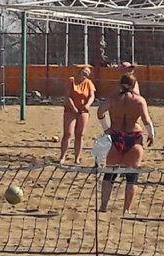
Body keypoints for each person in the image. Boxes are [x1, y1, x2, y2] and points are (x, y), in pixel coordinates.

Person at [96, 73, 154, 213]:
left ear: (119, 84)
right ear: (134, 85)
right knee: (132, 175)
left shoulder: (112, 99)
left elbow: (100, 112)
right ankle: (126, 209)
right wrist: (151, 134)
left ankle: (103, 206)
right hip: (133, 137)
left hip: (116, 135)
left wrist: (106, 128)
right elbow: (146, 120)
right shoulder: (139, 101)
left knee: (109, 174)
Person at [60, 65, 95, 165]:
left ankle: (77, 158)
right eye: (84, 73)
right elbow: (67, 96)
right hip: (70, 111)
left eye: (88, 74)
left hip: (83, 111)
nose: (86, 75)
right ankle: (63, 157)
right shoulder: (71, 81)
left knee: (80, 135)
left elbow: (92, 96)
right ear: (80, 72)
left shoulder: (89, 83)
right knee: (68, 134)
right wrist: (73, 108)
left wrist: (87, 105)